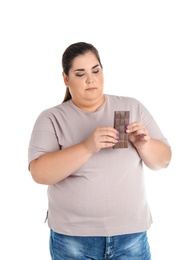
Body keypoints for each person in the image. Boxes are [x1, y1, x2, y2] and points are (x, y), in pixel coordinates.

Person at [28, 42, 172, 260]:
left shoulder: (133, 107)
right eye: (80, 73)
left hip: (131, 235)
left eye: (96, 70)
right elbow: (39, 173)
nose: (90, 79)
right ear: (66, 79)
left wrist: (144, 144)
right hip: (73, 239)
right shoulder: (51, 118)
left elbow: (163, 161)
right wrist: (87, 147)